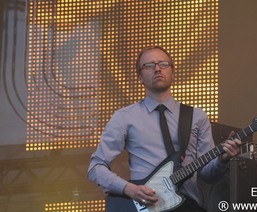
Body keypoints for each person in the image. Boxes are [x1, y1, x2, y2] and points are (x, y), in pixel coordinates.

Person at [87, 46, 242, 212]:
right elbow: (96, 167)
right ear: (139, 77)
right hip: (145, 205)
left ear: (173, 73)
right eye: (149, 65)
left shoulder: (197, 116)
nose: (157, 68)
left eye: (163, 64)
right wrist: (129, 189)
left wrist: (222, 159)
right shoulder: (124, 117)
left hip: (188, 205)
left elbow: (207, 174)